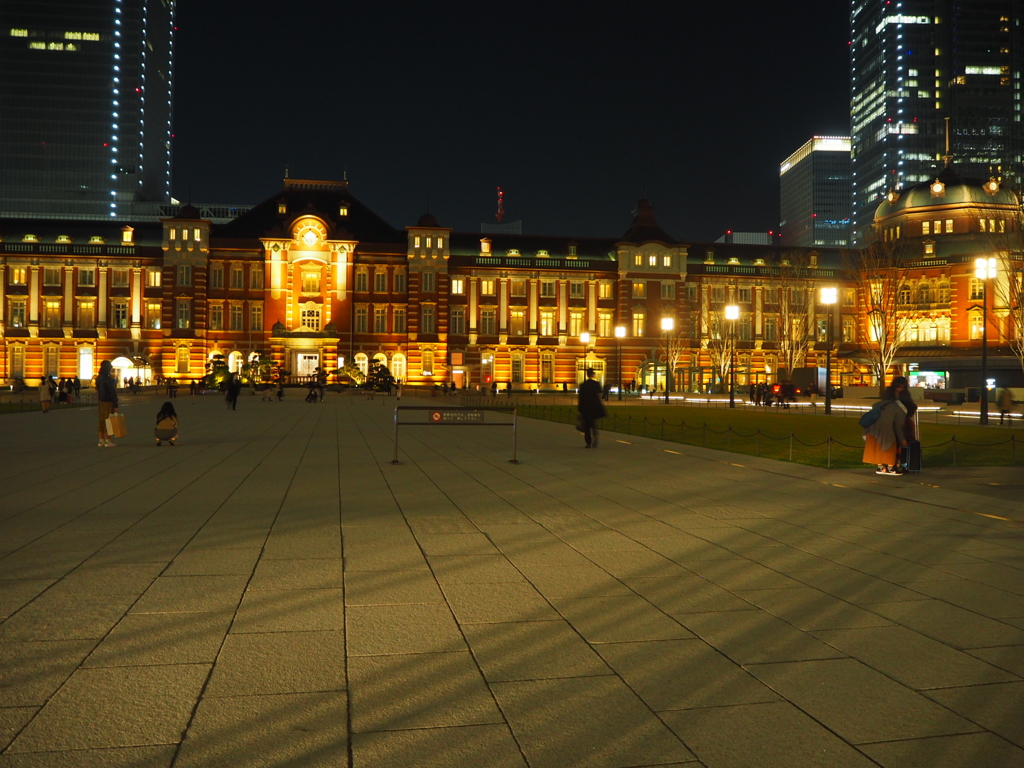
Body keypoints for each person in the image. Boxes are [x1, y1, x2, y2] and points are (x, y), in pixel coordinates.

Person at [862, 376, 910, 475]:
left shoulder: (878, 405)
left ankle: (880, 467)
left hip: (871, 430)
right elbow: (898, 427)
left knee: (877, 447)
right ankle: (890, 468)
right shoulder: (898, 409)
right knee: (889, 446)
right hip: (886, 431)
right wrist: (903, 440)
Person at [577, 368, 607, 449]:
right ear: (592, 374)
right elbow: (600, 393)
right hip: (594, 408)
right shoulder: (596, 384)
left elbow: (581, 398)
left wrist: (580, 409)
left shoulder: (583, 385)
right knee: (594, 425)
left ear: (587, 374)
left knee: (587, 426)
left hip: (586, 408)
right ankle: (595, 437)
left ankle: (588, 443)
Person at [96, 360, 119, 447]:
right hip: (108, 402)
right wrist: (115, 404)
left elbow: (98, 389)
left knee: (101, 420)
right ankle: (108, 440)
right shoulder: (108, 379)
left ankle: (101, 440)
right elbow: (112, 392)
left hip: (101, 401)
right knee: (109, 420)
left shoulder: (99, 378)